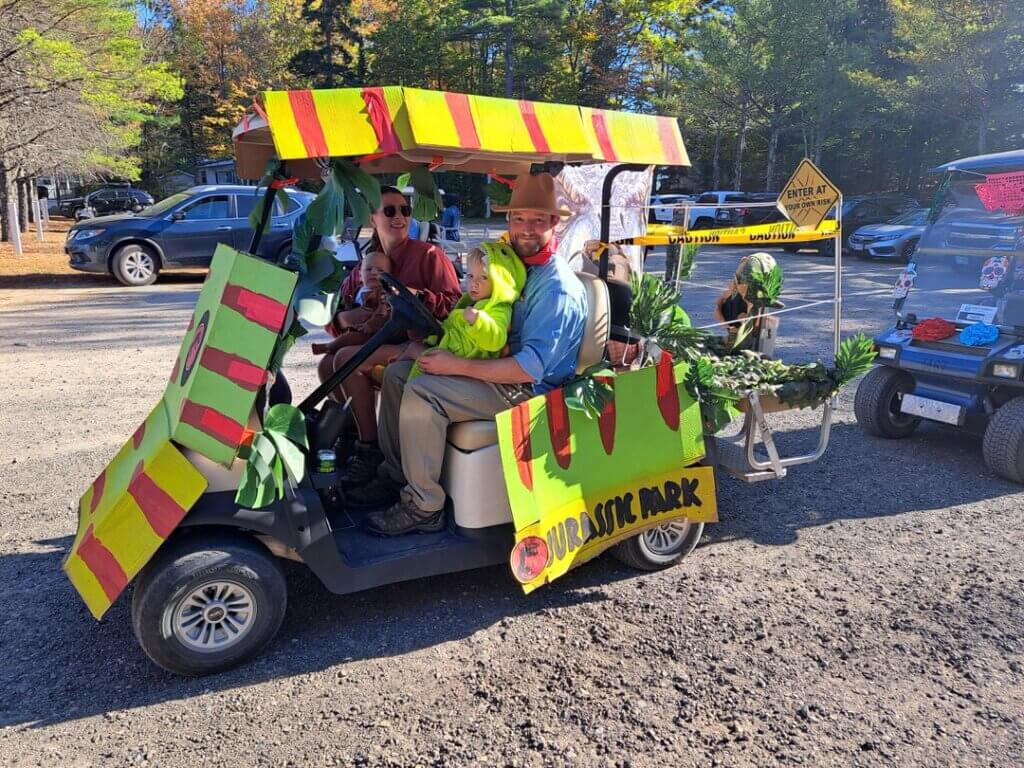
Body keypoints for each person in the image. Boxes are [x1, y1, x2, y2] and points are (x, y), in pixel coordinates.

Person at [348, 172, 589, 536]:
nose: (525, 228)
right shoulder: (511, 267)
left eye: (537, 220)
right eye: (518, 218)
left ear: (554, 223)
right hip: (500, 372)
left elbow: (530, 368)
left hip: (531, 394)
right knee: (400, 374)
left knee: (424, 392)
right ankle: (396, 476)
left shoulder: (555, 288)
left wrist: (456, 365)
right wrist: (427, 347)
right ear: (508, 220)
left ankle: (424, 506)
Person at [317, 187, 462, 484]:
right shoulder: (369, 263)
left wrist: (417, 296)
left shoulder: (429, 256)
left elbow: (454, 307)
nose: (400, 217)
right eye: (390, 211)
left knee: (348, 358)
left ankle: (370, 450)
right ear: (373, 216)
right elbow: (341, 312)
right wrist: (343, 318)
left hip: (422, 347)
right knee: (327, 364)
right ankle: (353, 433)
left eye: (405, 210)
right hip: (384, 343)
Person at [408, 241, 526, 378]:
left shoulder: (498, 309)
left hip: (463, 364)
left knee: (412, 352)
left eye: (484, 278)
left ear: (500, 282)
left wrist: (478, 321)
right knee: (397, 368)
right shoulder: (472, 302)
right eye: (470, 276)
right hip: (450, 351)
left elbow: (495, 340)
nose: (474, 283)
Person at [312, 249, 392, 357]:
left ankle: (328, 347)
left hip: (371, 333)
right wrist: (345, 312)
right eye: (368, 269)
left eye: (380, 271)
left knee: (349, 340)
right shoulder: (357, 289)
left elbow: (381, 314)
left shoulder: (383, 293)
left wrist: (370, 324)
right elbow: (339, 307)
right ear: (360, 275)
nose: (374, 273)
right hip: (353, 328)